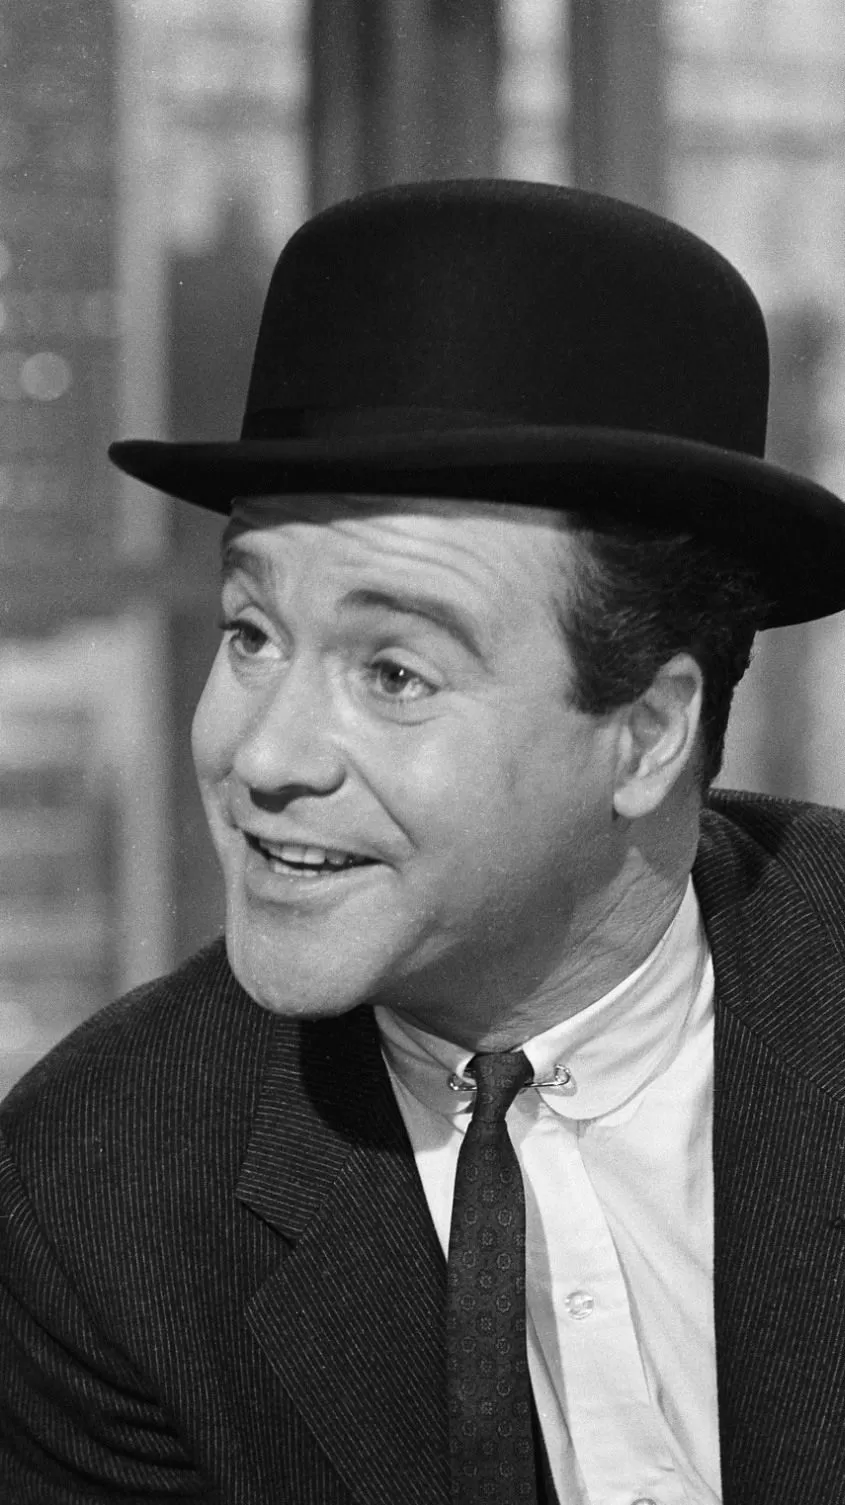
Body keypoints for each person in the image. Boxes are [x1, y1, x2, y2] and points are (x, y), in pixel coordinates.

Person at [3, 179, 845, 1505]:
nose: (263, 756)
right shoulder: (96, 1197)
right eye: (250, 635)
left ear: (644, 735)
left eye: (394, 672)